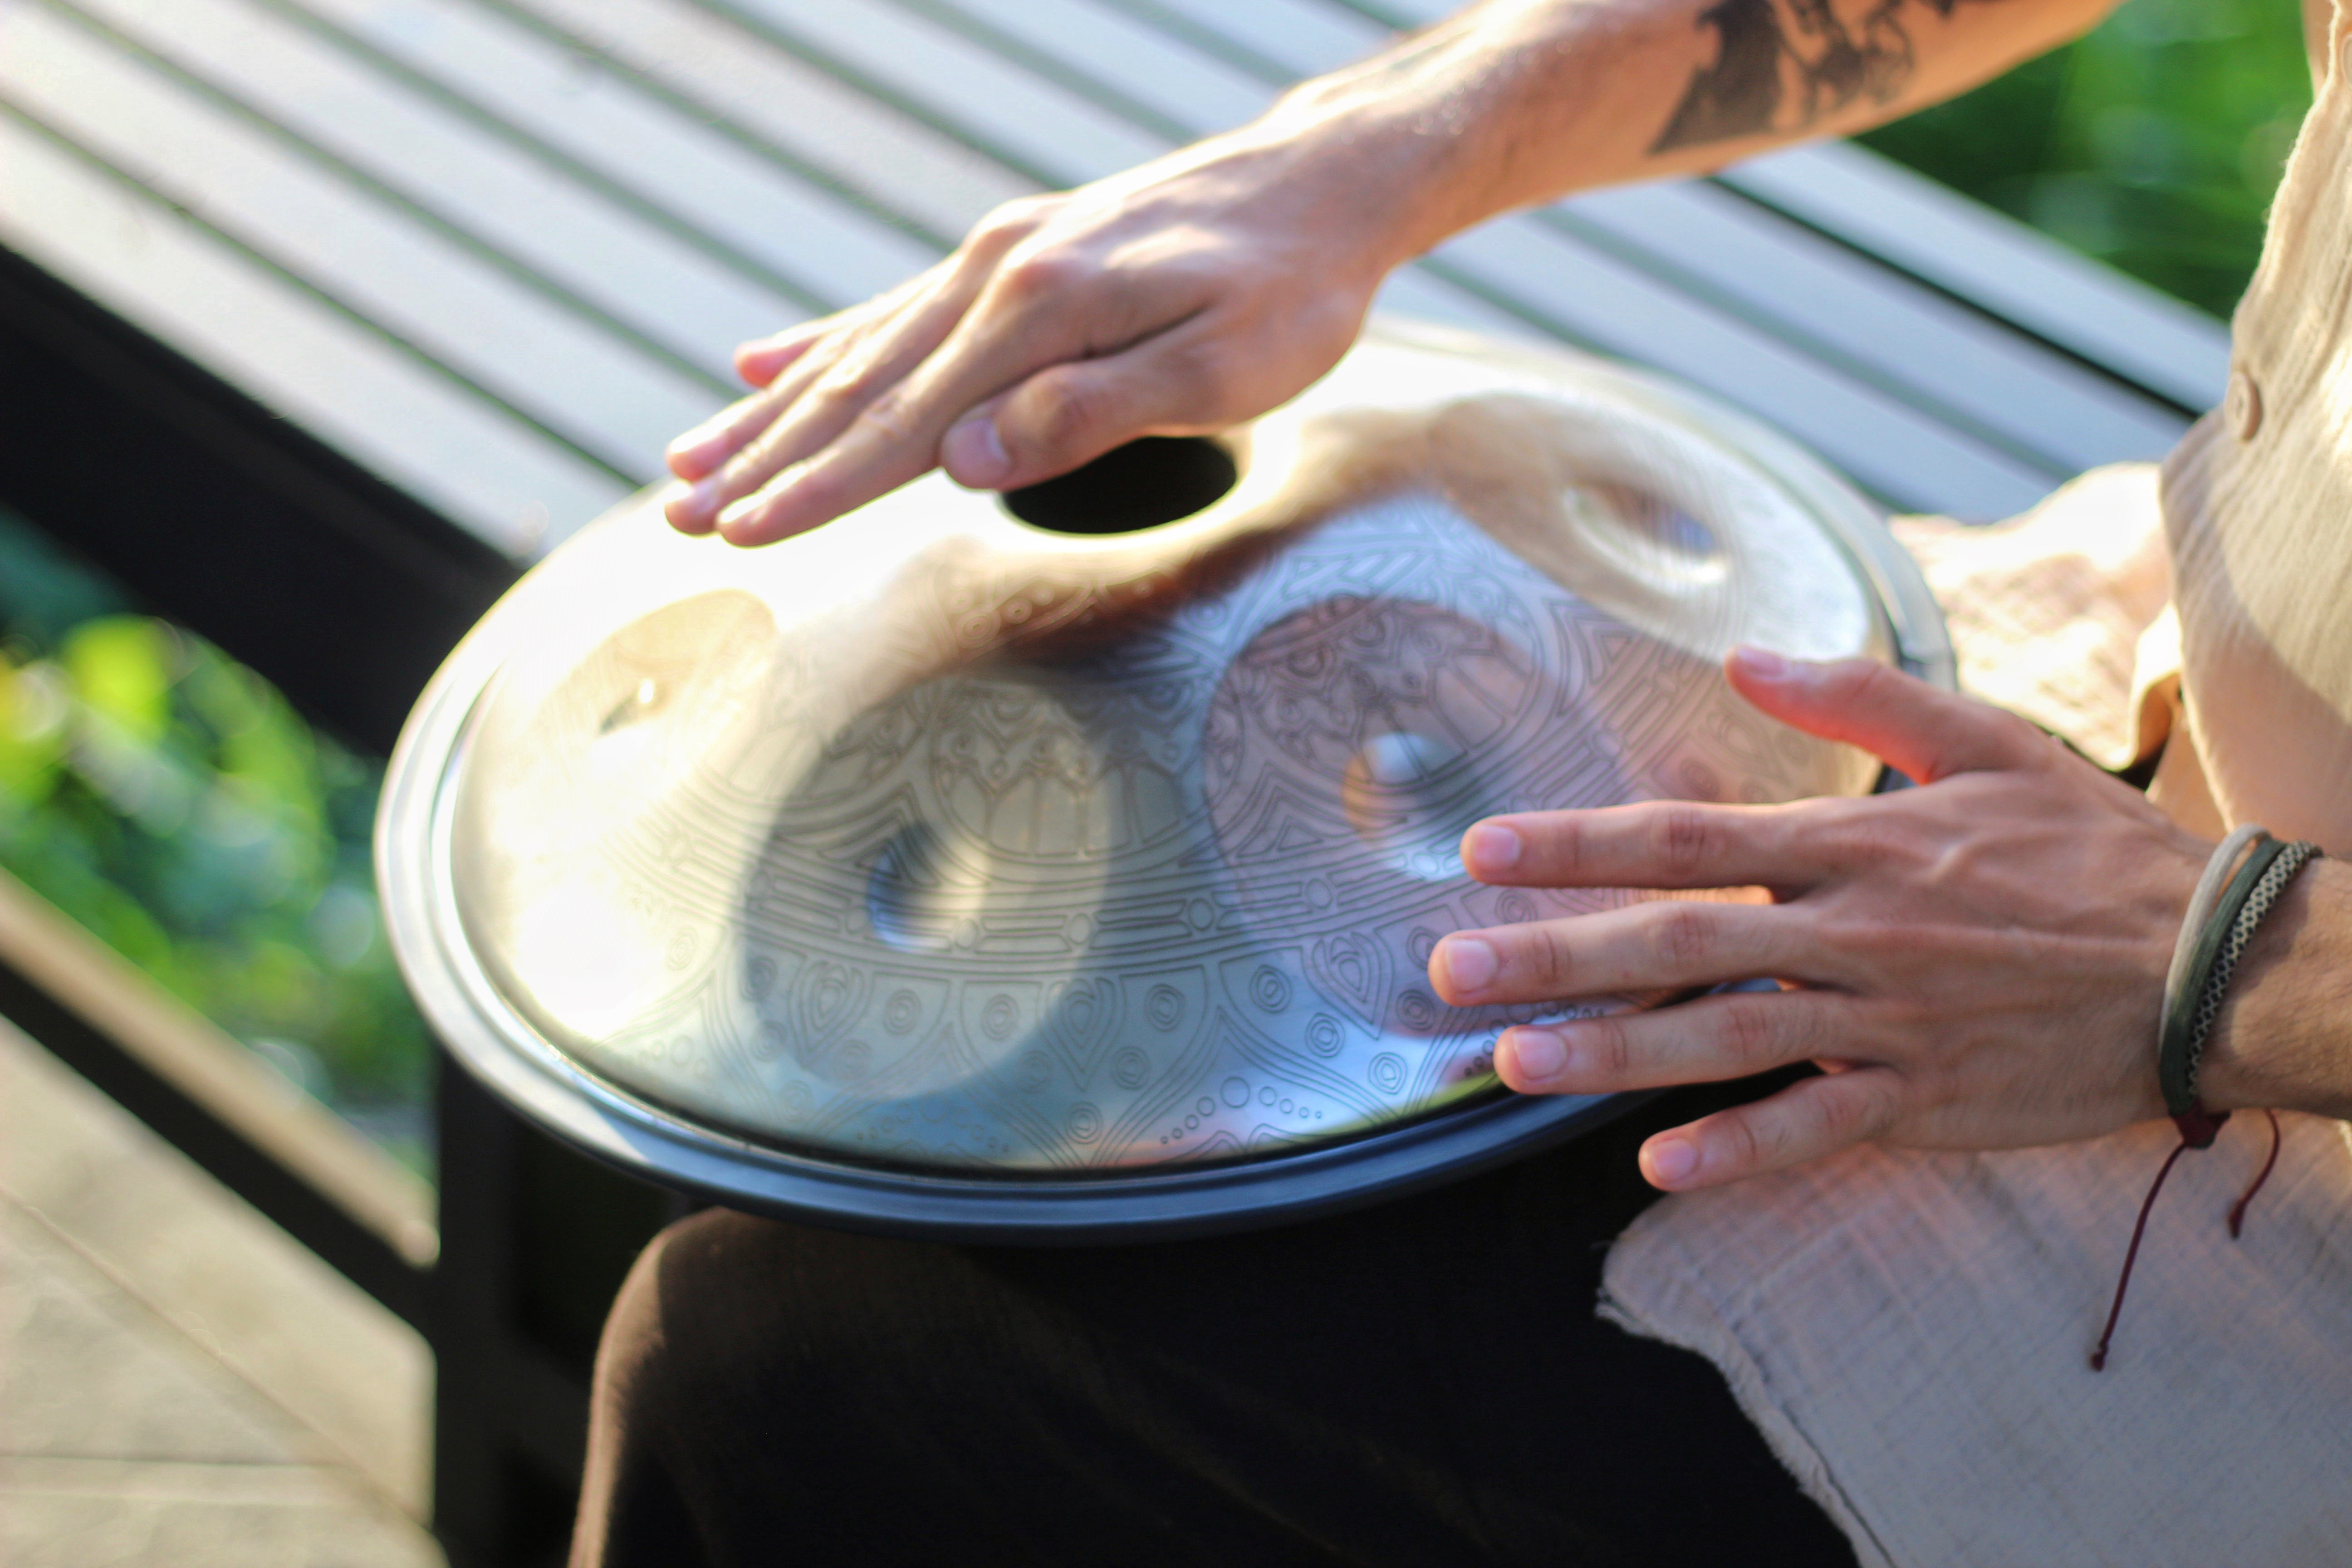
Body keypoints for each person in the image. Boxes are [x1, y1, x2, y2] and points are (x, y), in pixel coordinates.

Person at [573, 1, 2352, 1562]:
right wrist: (1365, 155)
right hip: (2133, 670)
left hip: (2270, 1084)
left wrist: (2226, 966)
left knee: (777, 1359)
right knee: (873, 1100)